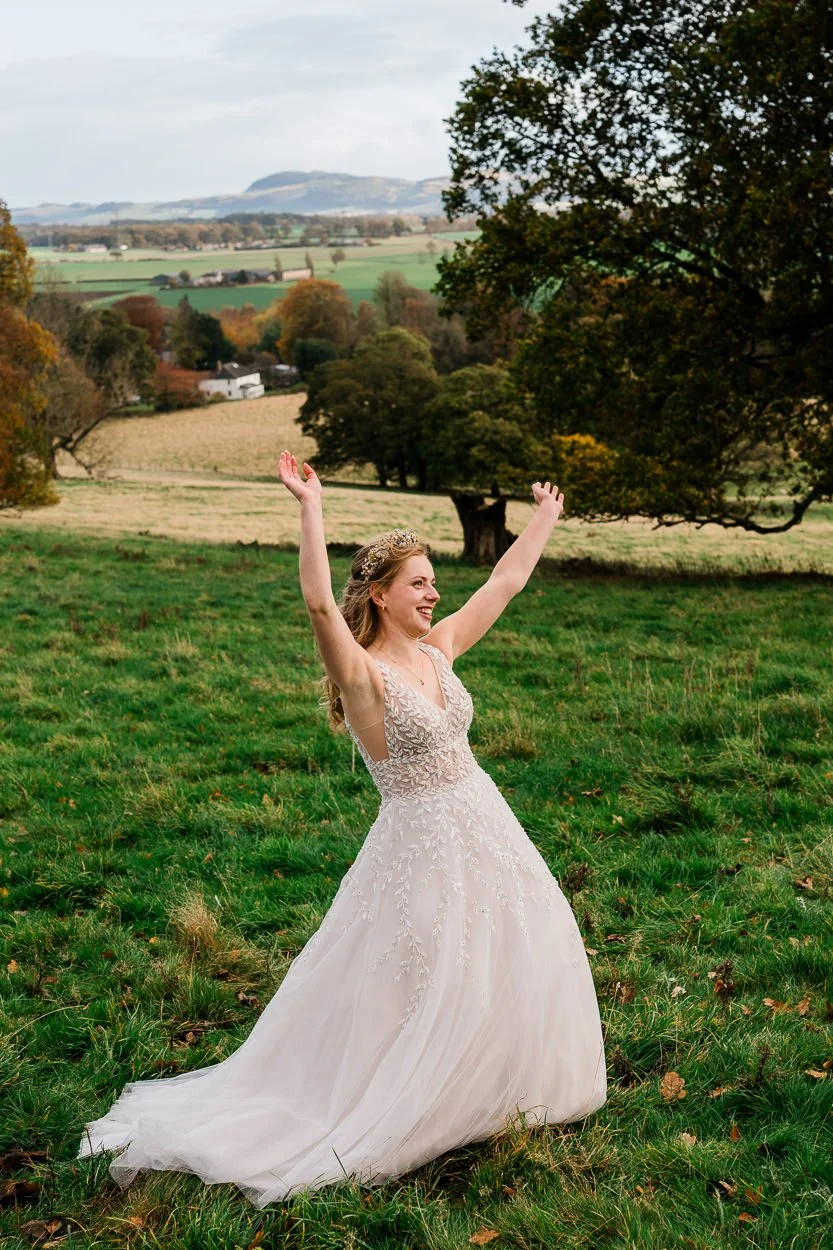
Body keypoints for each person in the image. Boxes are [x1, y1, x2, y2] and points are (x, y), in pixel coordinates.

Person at [78, 452, 606, 1207]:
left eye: (432, 581)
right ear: (384, 596)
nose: (433, 592)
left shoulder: (438, 649)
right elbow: (322, 607)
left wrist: (546, 517)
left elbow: (505, 582)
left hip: (487, 826)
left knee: (512, 948)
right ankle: (404, 1099)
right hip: (418, 841)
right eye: (418, 583)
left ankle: (494, 1093)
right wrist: (309, 506)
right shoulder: (362, 674)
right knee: (425, 968)